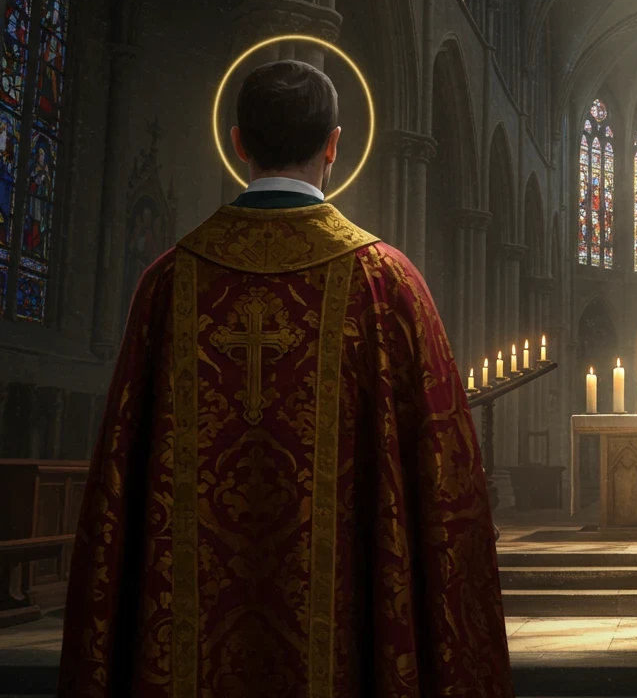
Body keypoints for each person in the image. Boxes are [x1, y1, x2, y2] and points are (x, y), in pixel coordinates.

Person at [58, 59, 512, 698]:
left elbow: (116, 491)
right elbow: (447, 493)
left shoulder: (166, 284)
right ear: (334, 146)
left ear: (239, 142)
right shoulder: (388, 285)